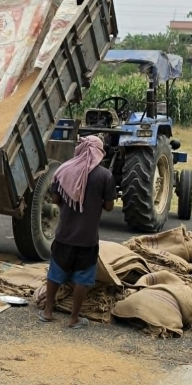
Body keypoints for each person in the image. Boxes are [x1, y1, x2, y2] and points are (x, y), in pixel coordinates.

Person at [39, 136, 115, 329]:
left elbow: (55, 199)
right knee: (82, 278)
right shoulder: (105, 176)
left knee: (55, 273)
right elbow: (109, 207)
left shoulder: (65, 170)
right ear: (99, 151)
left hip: (64, 235)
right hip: (87, 239)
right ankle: (73, 318)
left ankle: (47, 312)